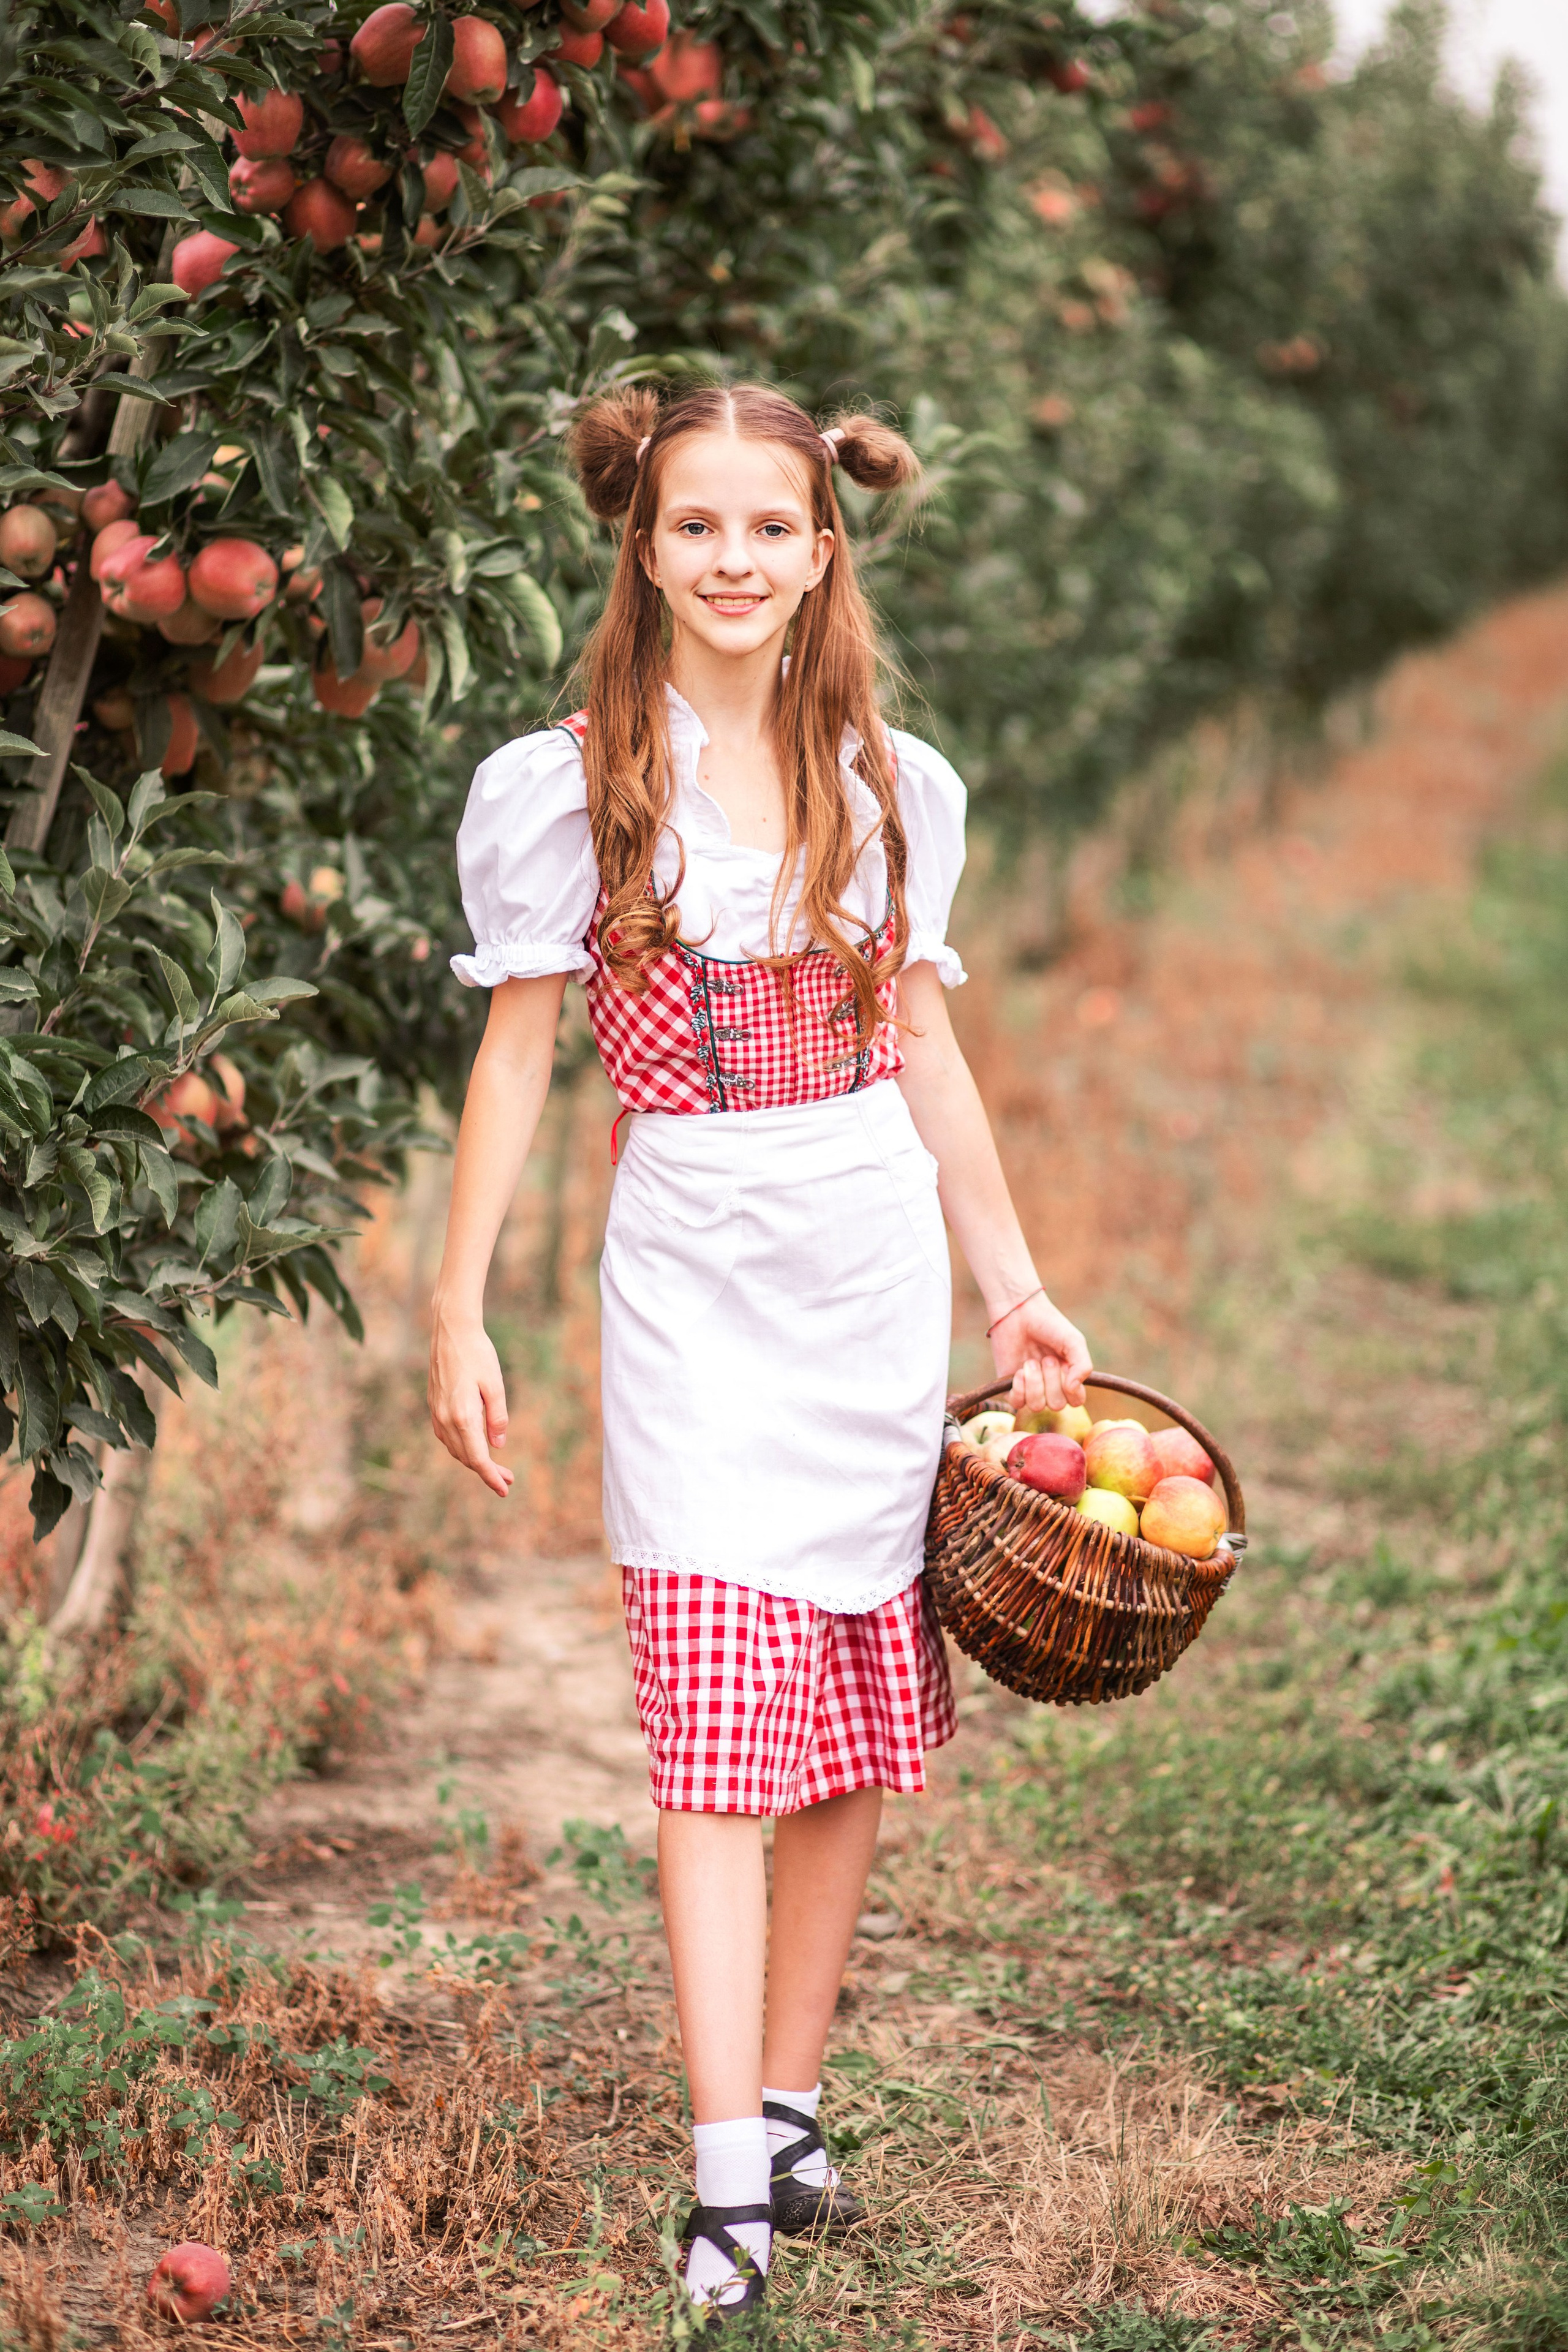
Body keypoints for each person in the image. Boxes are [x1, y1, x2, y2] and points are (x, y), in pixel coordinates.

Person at [429, 381, 1090, 2327]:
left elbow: (930, 1056)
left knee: (846, 1712)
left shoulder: (900, 784)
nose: (733, 561)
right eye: (696, 525)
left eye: (770, 529)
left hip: (867, 1267)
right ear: (643, 543)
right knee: (714, 1722)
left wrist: (1014, 1287)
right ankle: (728, 2172)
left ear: (824, 551)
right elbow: (520, 1056)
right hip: (693, 1271)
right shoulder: (569, 783)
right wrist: (457, 1303)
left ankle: (792, 2105)